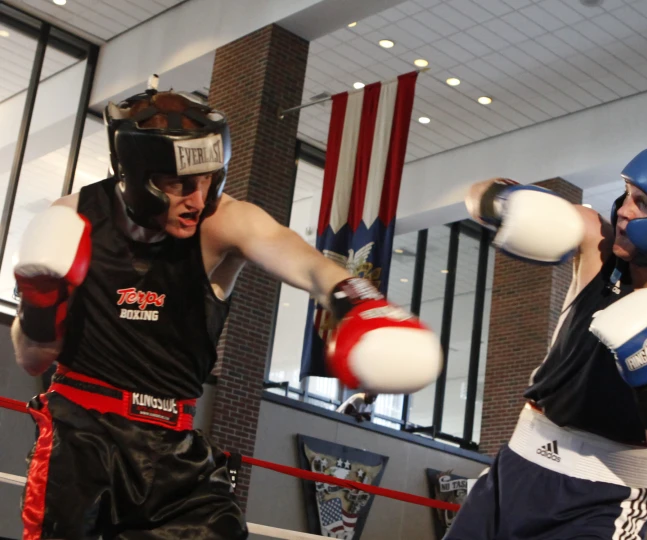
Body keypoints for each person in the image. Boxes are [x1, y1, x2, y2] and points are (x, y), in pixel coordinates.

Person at [11, 84, 442, 539]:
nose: (197, 200)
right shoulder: (72, 220)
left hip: (174, 450)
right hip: (79, 439)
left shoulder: (223, 221)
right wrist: (40, 304)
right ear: (136, 174)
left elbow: (301, 259)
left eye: (209, 181)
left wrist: (353, 297)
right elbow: (33, 358)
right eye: (178, 184)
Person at [447, 149, 647, 539]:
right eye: (627, 193)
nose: (623, 210)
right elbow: (480, 195)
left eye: (643, 202)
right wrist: (504, 203)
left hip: (604, 498)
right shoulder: (596, 242)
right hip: (517, 466)